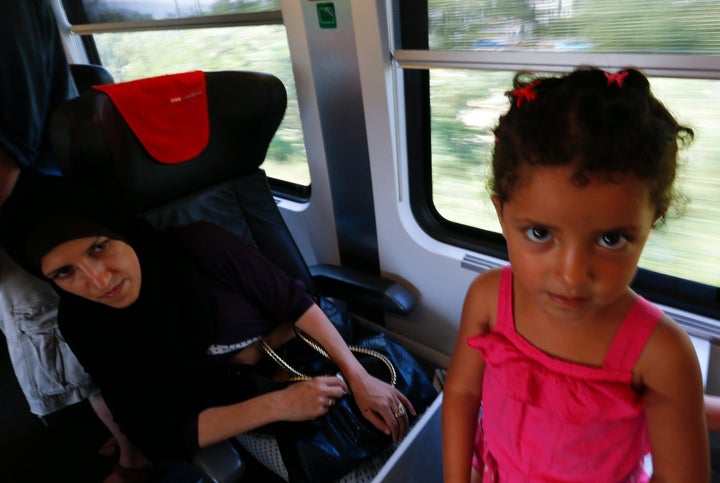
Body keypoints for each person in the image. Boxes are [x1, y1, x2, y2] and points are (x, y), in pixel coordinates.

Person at [1, 183, 415, 469]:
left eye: (99, 248)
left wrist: (359, 379)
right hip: (242, 409)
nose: (98, 281)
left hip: (316, 355)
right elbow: (157, 433)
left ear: (120, 233)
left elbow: (295, 301)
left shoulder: (198, 245)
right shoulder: (85, 322)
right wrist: (280, 405)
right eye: (65, 273)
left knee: (425, 425)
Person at [441, 67, 709, 482]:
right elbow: (462, 394)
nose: (571, 275)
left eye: (611, 239)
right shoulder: (488, 299)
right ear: (501, 214)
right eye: (540, 233)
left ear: (650, 223)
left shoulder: (662, 354)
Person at [0, 2, 151, 480]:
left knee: (70, 341)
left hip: (37, 214)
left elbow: (6, 156)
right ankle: (134, 432)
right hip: (34, 205)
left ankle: (137, 454)